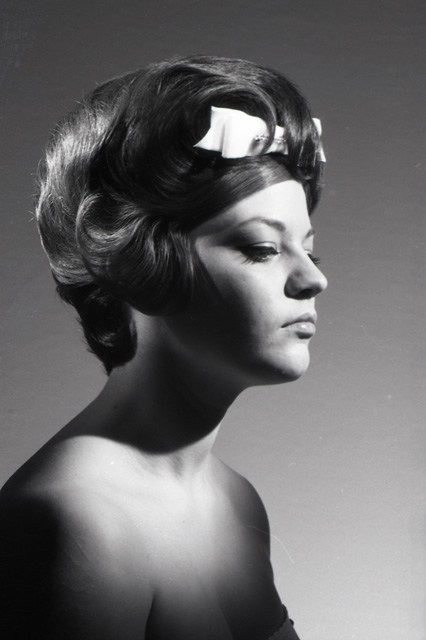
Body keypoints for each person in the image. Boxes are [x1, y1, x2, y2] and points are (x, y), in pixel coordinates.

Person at [0, 55, 328, 639]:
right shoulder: (80, 523)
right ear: (143, 266)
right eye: (261, 249)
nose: (313, 279)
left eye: (310, 249)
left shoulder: (235, 501)